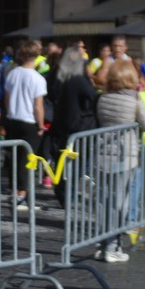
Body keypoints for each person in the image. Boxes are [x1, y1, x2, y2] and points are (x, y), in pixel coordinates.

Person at [95, 60, 145, 263]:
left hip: (102, 153)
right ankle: (112, 246)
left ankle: (103, 243)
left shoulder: (103, 98)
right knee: (121, 202)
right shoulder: (134, 100)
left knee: (104, 201)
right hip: (125, 155)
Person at [50, 46, 98, 206]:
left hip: (62, 124)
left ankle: (63, 192)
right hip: (76, 126)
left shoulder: (59, 77)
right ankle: (65, 194)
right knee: (75, 164)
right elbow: (93, 97)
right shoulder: (77, 79)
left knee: (63, 162)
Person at [4, 40, 47, 210]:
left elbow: (6, 98)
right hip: (29, 121)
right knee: (27, 161)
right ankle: (22, 196)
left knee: (14, 159)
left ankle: (16, 193)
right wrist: (41, 124)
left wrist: (10, 113)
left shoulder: (13, 73)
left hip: (13, 118)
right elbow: (38, 106)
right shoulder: (38, 78)